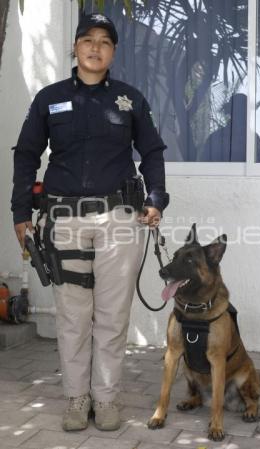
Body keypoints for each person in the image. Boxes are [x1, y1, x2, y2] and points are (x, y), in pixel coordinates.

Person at [11, 13, 169, 432]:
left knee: (112, 316)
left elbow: (152, 152)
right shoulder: (49, 98)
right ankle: (77, 400)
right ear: (76, 47)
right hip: (63, 221)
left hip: (119, 219)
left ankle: (108, 398)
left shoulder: (130, 100)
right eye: (87, 40)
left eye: (104, 41)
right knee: (73, 316)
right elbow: (26, 155)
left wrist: (156, 198)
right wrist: (21, 212)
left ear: (113, 51)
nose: (95, 47)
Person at [202, 93, 260, 162]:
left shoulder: (253, 138)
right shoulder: (215, 139)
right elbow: (204, 168)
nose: (244, 114)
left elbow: (259, 166)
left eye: (246, 111)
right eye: (240, 110)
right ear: (232, 112)